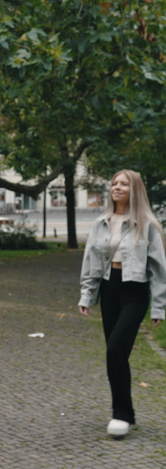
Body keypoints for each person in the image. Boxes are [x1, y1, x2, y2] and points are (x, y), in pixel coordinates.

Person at [79, 169, 166, 437]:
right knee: (114, 354)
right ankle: (124, 412)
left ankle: (121, 414)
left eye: (123, 184)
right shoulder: (101, 222)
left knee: (116, 348)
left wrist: (159, 306)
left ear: (134, 189)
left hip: (134, 293)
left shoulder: (147, 225)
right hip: (109, 289)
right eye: (114, 183)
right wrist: (87, 293)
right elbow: (90, 261)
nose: (116, 187)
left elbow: (159, 269)